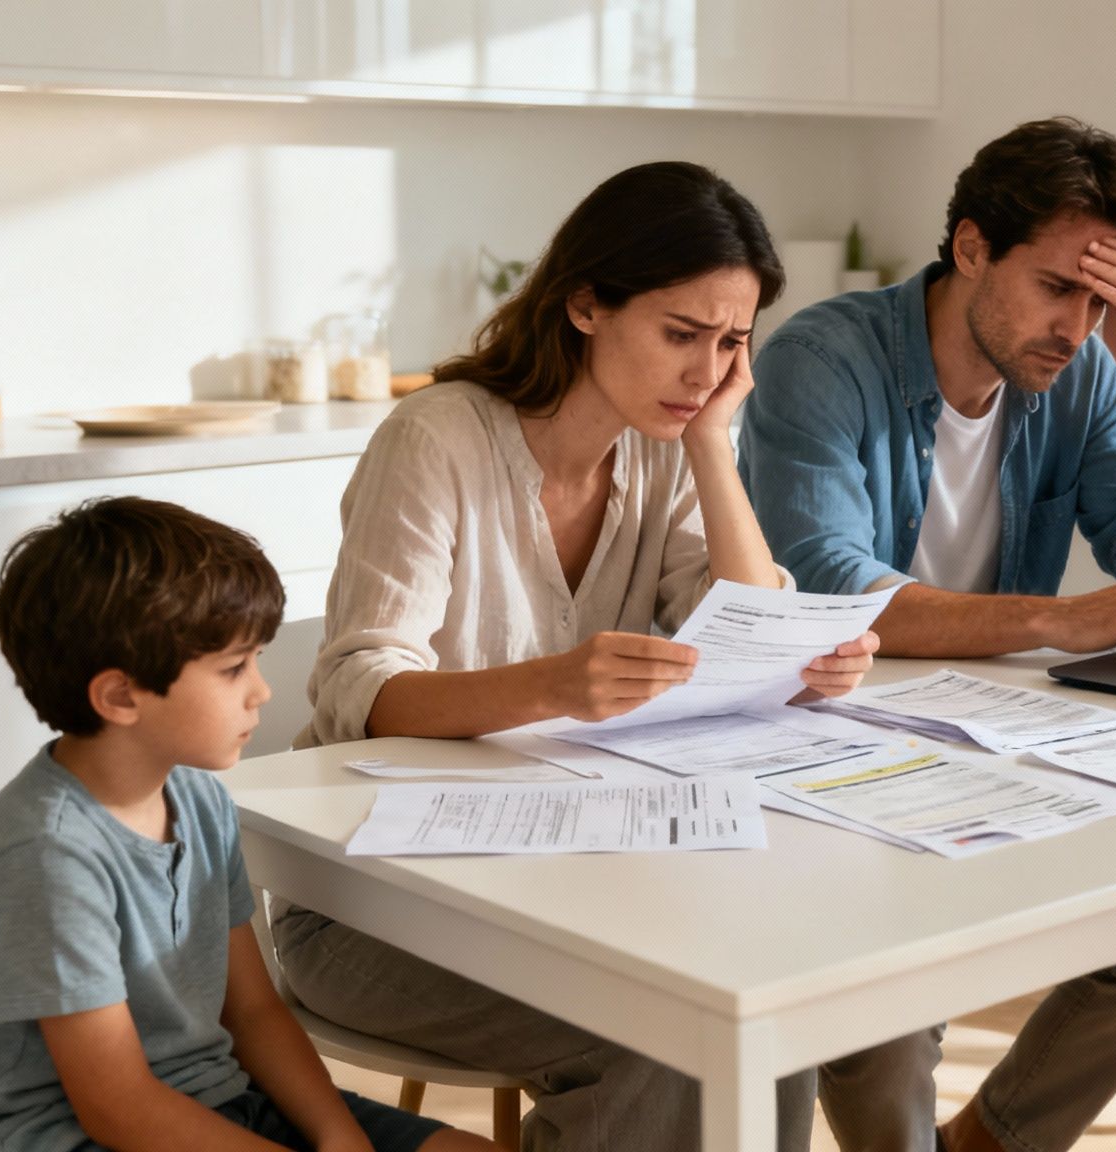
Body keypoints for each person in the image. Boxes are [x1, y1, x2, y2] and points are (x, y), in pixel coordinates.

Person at [274, 161, 879, 1151]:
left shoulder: (660, 449)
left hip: (573, 881)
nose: (704, 370)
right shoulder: (435, 442)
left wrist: (714, 448)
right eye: (681, 335)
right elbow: (354, 692)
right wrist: (552, 685)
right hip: (375, 903)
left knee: (756, 1010)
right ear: (586, 305)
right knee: (656, 1041)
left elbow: (741, 619)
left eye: (731, 342)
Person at [738, 117, 1116, 1152]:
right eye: (1059, 287)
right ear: (970, 248)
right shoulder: (819, 361)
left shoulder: (1086, 369)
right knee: (884, 1009)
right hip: (808, 741)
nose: (1078, 324)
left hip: (981, 737)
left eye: (1105, 302)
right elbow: (829, 588)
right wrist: (1061, 618)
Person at [0, 496, 499, 1152]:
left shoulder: (198, 798)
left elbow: (253, 1012)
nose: (262, 691)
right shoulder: (46, 859)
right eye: (233, 669)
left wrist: (342, 1139)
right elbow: (118, 1107)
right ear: (119, 696)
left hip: (212, 1097)